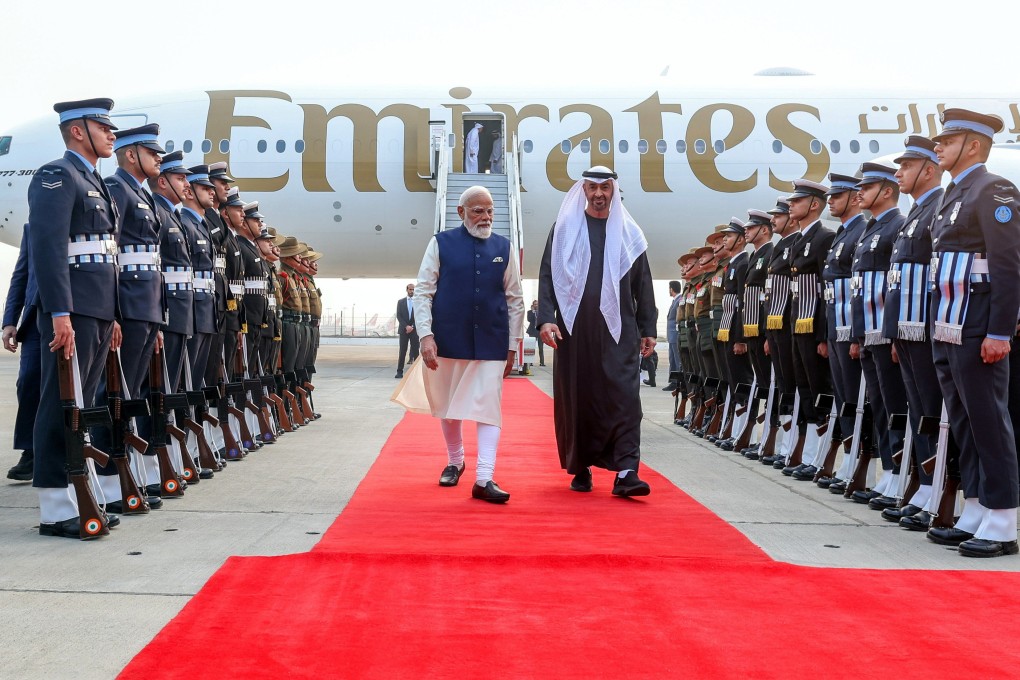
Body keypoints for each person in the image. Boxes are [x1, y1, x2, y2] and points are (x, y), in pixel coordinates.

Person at [927, 108, 1020, 557]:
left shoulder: (994, 190)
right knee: (963, 420)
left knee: (989, 421)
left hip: (978, 323)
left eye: (947, 140)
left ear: (975, 145)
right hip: (948, 322)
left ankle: (1003, 520)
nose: (938, 147)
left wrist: (1000, 331)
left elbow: (1007, 267)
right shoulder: (952, 194)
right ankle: (977, 507)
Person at [29, 98, 122, 538]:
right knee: (60, 403)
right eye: (103, 126)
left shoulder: (95, 181)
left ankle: (82, 496)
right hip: (74, 309)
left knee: (83, 407)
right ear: (78, 130)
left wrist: (115, 315)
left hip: (99, 309)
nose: (112, 134)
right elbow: (48, 249)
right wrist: (59, 312)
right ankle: (54, 507)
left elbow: (109, 256)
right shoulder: (57, 175)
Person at [537, 166, 657, 497]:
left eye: (605, 187)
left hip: (619, 331)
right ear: (584, 190)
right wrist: (546, 318)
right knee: (581, 397)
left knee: (625, 398)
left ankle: (627, 471)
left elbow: (643, 283)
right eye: (593, 188)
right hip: (574, 331)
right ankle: (582, 466)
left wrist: (648, 327)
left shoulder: (629, 233)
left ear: (614, 190)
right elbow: (548, 275)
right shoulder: (564, 229)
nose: (599, 194)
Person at [401, 185, 524, 503]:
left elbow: (515, 298)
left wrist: (513, 345)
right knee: (449, 408)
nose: (485, 217)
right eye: (478, 211)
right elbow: (424, 291)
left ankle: (484, 478)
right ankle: (455, 461)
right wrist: (425, 336)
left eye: (490, 211)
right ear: (461, 212)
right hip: (447, 341)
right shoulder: (440, 244)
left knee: (488, 409)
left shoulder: (504, 247)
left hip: (492, 342)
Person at [93, 124, 167, 507]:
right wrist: (115, 315)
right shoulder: (117, 191)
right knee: (115, 397)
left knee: (132, 395)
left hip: (146, 309)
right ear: (129, 155)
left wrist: (157, 318)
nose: (158, 158)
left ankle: (129, 477)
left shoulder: (143, 194)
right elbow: (112, 260)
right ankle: (109, 484)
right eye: (151, 152)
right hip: (128, 309)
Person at [3, 223, 39, 481]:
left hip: (79, 315)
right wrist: (9, 321)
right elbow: (21, 275)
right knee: (28, 382)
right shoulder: (31, 228)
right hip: (36, 318)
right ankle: (31, 451)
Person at [395, 283, 418, 378]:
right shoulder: (400, 302)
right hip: (403, 330)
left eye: (413, 289)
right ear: (407, 290)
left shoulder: (418, 301)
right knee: (402, 351)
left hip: (414, 330)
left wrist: (412, 326)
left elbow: (419, 315)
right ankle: (399, 371)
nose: (412, 291)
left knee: (416, 351)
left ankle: (417, 373)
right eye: (410, 289)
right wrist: (406, 326)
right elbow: (399, 316)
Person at [664, 280, 683, 391]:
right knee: (672, 359)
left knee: (677, 360)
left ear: (672, 289)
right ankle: (673, 381)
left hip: (675, 335)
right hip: (672, 336)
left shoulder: (679, 300)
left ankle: (677, 382)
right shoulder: (675, 301)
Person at [525, 300, 544, 366]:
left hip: (539, 331)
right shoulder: (530, 312)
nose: (536, 305)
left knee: (541, 347)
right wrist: (533, 312)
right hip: (532, 331)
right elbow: (529, 320)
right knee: (531, 347)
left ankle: (542, 362)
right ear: (533, 305)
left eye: (537, 304)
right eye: (535, 304)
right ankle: (530, 362)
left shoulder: (542, 312)